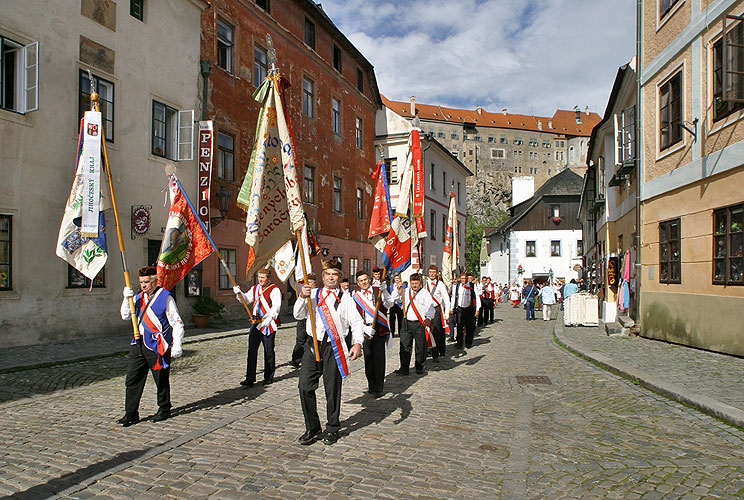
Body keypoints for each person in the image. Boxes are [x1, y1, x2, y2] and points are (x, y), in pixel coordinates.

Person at [294, 259, 364, 445]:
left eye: (334, 274)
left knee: (332, 390)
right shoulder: (313, 294)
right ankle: (313, 427)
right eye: (327, 274)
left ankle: (332, 427)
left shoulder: (346, 298)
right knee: (304, 386)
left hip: (333, 347)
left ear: (339, 277)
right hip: (312, 346)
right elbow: (298, 315)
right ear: (323, 277)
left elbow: (357, 323)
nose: (330, 277)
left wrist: (357, 343)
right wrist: (302, 297)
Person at [118, 266, 184, 426]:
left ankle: (164, 408)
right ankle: (131, 413)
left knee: (160, 379)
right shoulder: (138, 297)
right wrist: (126, 299)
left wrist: (177, 345)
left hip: (157, 345)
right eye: (141, 282)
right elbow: (125, 316)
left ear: (155, 281)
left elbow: (177, 322)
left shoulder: (165, 297)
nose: (143, 285)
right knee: (132, 380)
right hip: (138, 343)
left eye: (146, 282)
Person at [234, 268, 282, 387]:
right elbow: (247, 300)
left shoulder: (275, 290)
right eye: (259, 277)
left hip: (268, 323)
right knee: (252, 350)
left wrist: (269, 319)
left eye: (263, 277)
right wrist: (239, 293)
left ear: (269, 278)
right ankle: (250, 378)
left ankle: (268, 377)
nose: (260, 279)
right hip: (256, 323)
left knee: (268, 351)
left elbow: (276, 307)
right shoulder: (255, 288)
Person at [352, 269, 393, 397]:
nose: (364, 282)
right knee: (368, 360)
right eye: (361, 281)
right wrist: (364, 328)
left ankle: (379, 387)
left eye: (365, 279)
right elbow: (354, 317)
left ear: (369, 279)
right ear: (358, 283)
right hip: (365, 331)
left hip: (379, 330)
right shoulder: (355, 296)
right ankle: (371, 384)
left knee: (379, 359)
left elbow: (390, 304)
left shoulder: (378, 290)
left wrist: (385, 291)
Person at [394, 273, 435, 375]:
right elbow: (395, 299)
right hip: (406, 323)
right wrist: (397, 288)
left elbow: (431, 308)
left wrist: (428, 318)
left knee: (420, 347)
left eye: (416, 283)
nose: (414, 286)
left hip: (419, 323)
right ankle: (404, 368)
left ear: (420, 283)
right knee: (404, 346)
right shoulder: (406, 291)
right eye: (412, 283)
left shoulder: (425, 294)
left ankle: (419, 366)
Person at [290, 273, 316, 368]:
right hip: (302, 320)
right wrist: (292, 274)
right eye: (307, 282)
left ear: (314, 283)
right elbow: (293, 284)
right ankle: (296, 360)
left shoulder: (316, 293)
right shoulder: (302, 290)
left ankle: (308, 359)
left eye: (311, 282)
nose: (309, 284)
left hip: (312, 320)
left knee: (309, 341)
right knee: (300, 340)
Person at [425, 265, 450, 362]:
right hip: (425, 310)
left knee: (436, 332)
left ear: (437, 274)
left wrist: (447, 312)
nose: (431, 274)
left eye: (433, 272)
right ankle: (427, 350)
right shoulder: (424, 283)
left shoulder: (440, 285)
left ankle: (435, 354)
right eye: (430, 272)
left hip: (436, 310)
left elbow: (446, 299)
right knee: (425, 331)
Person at [449, 271, 480, 349]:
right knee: (459, 326)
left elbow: (477, 297)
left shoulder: (472, 286)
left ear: (467, 278)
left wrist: (477, 309)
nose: (463, 280)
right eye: (462, 278)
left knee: (470, 327)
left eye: (465, 278)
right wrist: (452, 308)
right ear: (460, 279)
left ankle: (468, 343)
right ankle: (459, 343)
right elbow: (453, 298)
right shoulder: (456, 286)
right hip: (459, 308)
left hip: (469, 308)